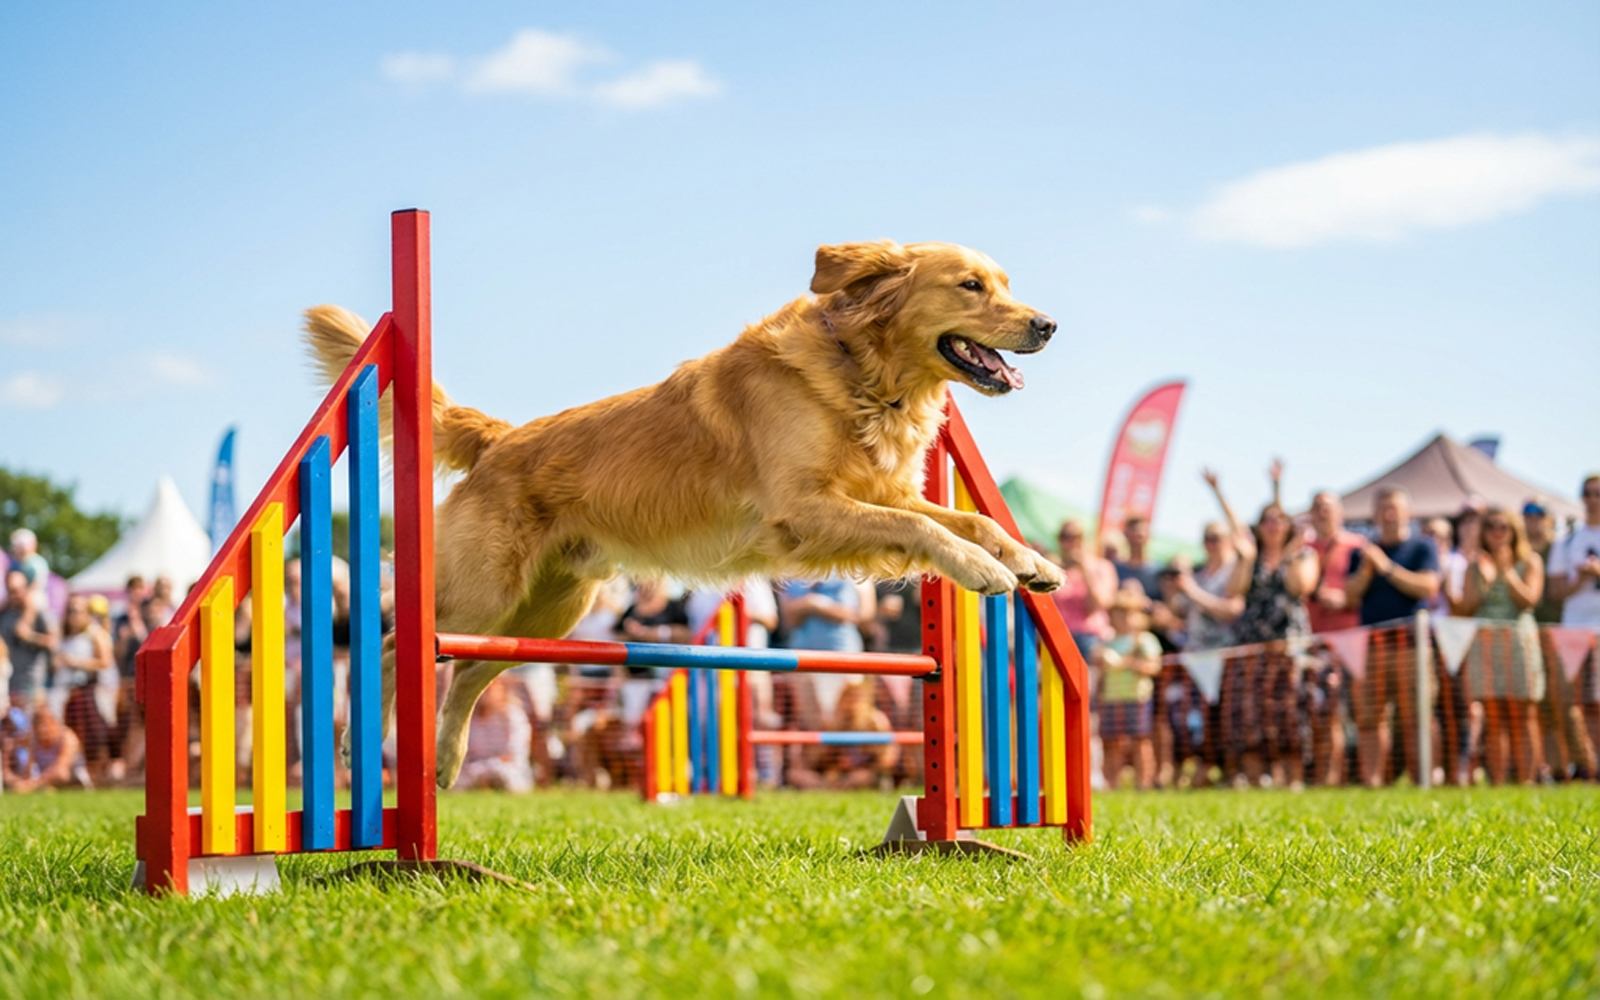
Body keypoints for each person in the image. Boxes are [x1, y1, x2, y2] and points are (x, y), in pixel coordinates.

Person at [1216, 471, 1316, 787]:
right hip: (1252, 644)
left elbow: (1299, 587)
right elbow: (1234, 592)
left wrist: (1285, 554)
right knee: (1250, 714)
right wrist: (1218, 491)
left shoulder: (1302, 555)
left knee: (1289, 711)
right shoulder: (1250, 557)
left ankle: (1293, 777)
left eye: (1279, 520)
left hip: (1289, 646)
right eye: (1267, 520)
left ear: (1288, 526)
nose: (1273, 525)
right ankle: (1257, 777)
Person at [1342, 485, 1442, 786]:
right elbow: (1349, 596)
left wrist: (1386, 568)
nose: (1389, 515)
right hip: (1373, 646)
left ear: (1407, 513)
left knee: (1418, 716)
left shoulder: (1423, 548)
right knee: (1370, 718)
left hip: (1412, 646)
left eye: (1395, 508)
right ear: (1374, 515)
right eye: (1383, 509)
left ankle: (1425, 779)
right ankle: (1373, 781)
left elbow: (1428, 587)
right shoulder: (1362, 554)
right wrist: (1367, 571)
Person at [1455, 507, 1545, 784]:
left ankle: (1528, 780)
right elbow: (1466, 608)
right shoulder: (1476, 565)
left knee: (1523, 712)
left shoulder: (1530, 561)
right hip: (1485, 642)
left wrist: (1506, 571)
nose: (1497, 531)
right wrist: (1483, 577)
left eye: (1503, 526)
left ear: (1513, 531)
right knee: (1493, 714)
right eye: (1491, 526)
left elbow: (1529, 600)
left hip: (1519, 641)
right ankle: (1497, 783)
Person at [1305, 492, 1363, 785]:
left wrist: (1344, 599)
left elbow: (1366, 588)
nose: (1322, 513)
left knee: (1359, 711)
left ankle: (1358, 774)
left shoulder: (1358, 546)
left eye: (1327, 508)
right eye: (1317, 508)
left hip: (1352, 639)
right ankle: (1329, 775)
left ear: (1340, 512)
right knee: (1324, 712)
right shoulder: (1303, 548)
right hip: (1315, 641)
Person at [1546, 474, 1600, 778]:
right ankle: (1585, 765)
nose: (1593, 499)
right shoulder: (1567, 542)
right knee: (1570, 701)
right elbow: (1554, 592)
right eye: (1588, 494)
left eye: (1598, 494)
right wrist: (1579, 581)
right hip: (1574, 629)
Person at [1097, 590, 1162, 790]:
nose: (1122, 618)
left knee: (1139, 741)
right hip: (1111, 698)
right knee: (1111, 742)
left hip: (1136, 697)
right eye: (1118, 613)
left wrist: (1121, 663)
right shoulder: (1107, 642)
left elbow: (1153, 667)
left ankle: (1144, 782)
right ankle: (1113, 784)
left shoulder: (1144, 640)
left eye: (1127, 613)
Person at [784, 678, 898, 790]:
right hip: (835, 775)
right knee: (800, 777)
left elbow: (887, 759)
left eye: (856, 697)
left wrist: (859, 765)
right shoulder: (833, 723)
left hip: (863, 773)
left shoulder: (876, 722)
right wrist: (835, 760)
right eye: (848, 696)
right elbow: (818, 760)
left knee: (861, 778)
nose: (851, 702)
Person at [53, 593, 116, 785]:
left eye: (77, 610)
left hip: (89, 693)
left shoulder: (95, 635)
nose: (73, 615)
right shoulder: (65, 636)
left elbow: (105, 662)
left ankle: (100, 779)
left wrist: (76, 663)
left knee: (95, 738)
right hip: (67, 694)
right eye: (70, 610)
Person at [1051, 520, 1118, 661]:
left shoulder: (1102, 567)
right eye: (1065, 537)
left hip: (1089, 638)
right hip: (1057, 636)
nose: (1070, 543)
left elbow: (1097, 605)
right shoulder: (1054, 569)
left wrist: (1085, 571)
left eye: (1075, 537)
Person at [454, 674, 534, 792]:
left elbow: (513, 754)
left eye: (489, 688)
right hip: (472, 772)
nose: (484, 693)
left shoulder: (513, 715)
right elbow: (462, 756)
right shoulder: (467, 719)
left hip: (508, 770)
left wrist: (489, 766)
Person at [2, 569, 57, 708]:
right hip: (8, 682)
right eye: (11, 590)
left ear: (26, 588)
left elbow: (54, 641)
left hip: (33, 682)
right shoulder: (4, 613)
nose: (15, 595)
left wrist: (29, 636)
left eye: (18, 590)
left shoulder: (39, 611)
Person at [2, 705, 84, 792]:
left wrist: (32, 784)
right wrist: (14, 779)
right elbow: (27, 771)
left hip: (75, 784)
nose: (43, 730)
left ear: (55, 723)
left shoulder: (67, 738)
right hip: (45, 786)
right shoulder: (33, 739)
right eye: (39, 726)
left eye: (46, 724)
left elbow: (61, 773)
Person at [1114, 516, 1162, 603]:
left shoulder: (1158, 571)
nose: (1138, 535)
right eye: (1134, 531)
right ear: (1126, 535)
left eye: (1142, 532)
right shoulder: (1115, 567)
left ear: (1149, 535)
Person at [7, 529, 51, 610]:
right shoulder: (15, 563)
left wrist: (25, 594)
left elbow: (37, 584)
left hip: (34, 599)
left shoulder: (38, 562)